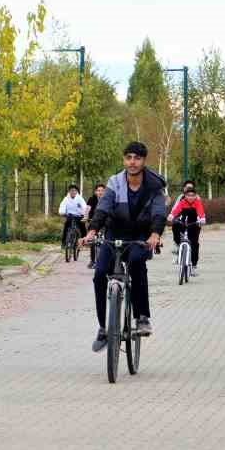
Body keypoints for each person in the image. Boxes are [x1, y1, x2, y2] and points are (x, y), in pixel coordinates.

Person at [84, 141, 167, 350]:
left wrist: (155, 234)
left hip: (141, 235)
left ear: (144, 161)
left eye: (137, 158)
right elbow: (103, 208)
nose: (132, 162)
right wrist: (92, 231)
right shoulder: (115, 182)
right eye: (129, 157)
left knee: (138, 264)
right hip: (115, 233)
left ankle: (142, 317)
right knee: (99, 273)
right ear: (124, 160)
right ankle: (104, 328)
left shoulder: (154, 185)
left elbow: (158, 212)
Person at [166, 181, 206, 274]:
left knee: (195, 244)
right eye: (188, 195)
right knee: (175, 225)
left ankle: (194, 265)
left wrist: (202, 219)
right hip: (183, 222)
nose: (191, 197)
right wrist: (171, 216)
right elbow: (176, 210)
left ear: (195, 196)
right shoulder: (182, 201)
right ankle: (178, 244)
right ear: (185, 195)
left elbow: (200, 211)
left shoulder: (197, 202)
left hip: (194, 224)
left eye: (193, 195)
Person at [58, 184, 89, 249]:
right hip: (70, 216)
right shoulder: (66, 199)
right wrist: (62, 212)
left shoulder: (80, 198)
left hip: (79, 215)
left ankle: (84, 242)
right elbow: (62, 206)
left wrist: (84, 215)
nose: (73, 192)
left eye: (75, 191)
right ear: (69, 191)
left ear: (77, 191)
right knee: (66, 227)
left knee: (82, 227)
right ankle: (64, 243)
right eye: (72, 191)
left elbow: (84, 207)